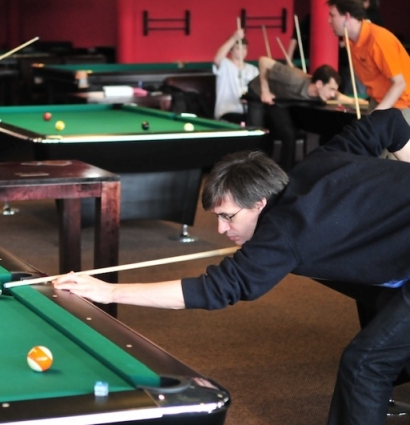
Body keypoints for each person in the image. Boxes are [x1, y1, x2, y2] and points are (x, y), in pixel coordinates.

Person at [54, 108, 410, 425]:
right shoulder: (316, 164)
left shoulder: (285, 233)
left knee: (365, 363)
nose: (222, 230)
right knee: (382, 315)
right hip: (396, 261)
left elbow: (213, 290)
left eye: (227, 217)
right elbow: (388, 123)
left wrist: (108, 291)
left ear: (259, 202)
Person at [245, 56, 359, 171]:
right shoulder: (292, 78)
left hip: (278, 99)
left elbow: (339, 97)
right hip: (258, 91)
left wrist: (357, 102)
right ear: (319, 84)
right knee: (256, 133)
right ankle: (249, 169)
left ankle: (286, 172)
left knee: (289, 135)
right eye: (331, 89)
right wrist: (265, 91)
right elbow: (263, 61)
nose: (332, 94)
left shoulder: (320, 91)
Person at [328, 0, 410, 123]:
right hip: (378, 100)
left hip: (403, 104)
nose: (329, 20)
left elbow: (400, 84)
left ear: (347, 16)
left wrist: (376, 115)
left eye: (332, 15)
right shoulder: (348, 39)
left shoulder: (378, 40)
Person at [212, 28, 258, 124]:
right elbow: (217, 59)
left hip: (249, 112)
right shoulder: (225, 64)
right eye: (238, 48)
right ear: (231, 50)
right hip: (226, 112)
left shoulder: (253, 70)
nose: (242, 51)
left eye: (244, 48)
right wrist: (234, 38)